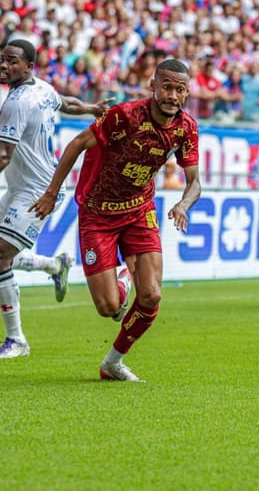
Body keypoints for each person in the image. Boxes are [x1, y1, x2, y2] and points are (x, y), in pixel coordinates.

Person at [0, 39, 112, 359]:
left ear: (29, 66)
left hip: (39, 191)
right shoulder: (42, 88)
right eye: (2, 60)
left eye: (13, 61)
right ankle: (53, 265)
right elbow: (67, 102)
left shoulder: (17, 103)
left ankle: (16, 341)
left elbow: (3, 157)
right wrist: (91, 108)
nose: (4, 66)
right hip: (21, 188)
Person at [30, 58, 201, 382]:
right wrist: (52, 193)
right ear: (153, 86)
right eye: (166, 87)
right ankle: (124, 277)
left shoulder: (186, 127)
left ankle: (112, 363)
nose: (172, 96)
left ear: (187, 92)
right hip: (97, 213)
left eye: (180, 90)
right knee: (109, 307)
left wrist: (183, 205)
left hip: (139, 210)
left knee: (151, 295)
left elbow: (195, 182)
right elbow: (78, 144)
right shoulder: (125, 116)